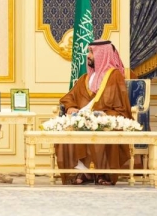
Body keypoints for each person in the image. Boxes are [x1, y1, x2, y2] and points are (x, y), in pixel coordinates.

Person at [55, 40, 133, 186]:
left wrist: (104, 115)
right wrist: (71, 107)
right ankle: (84, 171)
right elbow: (69, 97)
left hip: (107, 119)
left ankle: (103, 174)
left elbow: (121, 106)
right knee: (70, 130)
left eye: (91, 52)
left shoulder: (114, 76)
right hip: (85, 119)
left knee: (101, 129)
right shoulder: (85, 78)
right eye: (89, 52)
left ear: (102, 55)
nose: (88, 55)